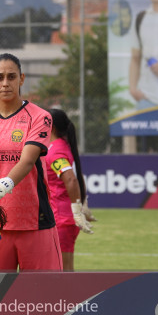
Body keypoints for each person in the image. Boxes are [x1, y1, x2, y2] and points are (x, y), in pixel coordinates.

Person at [0, 53, 62, 271]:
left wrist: (1, 187)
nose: (5, 83)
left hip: (35, 222)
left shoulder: (39, 116)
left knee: (46, 297)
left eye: (11, 76)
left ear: (22, 79)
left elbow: (28, 160)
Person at [45, 108, 95, 272]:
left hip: (62, 218)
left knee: (63, 269)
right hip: (63, 217)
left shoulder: (55, 150)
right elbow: (77, 176)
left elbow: (71, 179)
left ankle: (65, 298)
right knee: (61, 268)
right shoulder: (61, 146)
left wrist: (76, 210)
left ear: (50, 127)